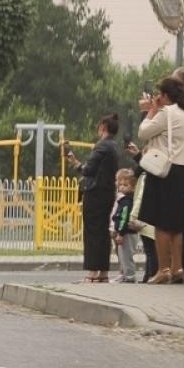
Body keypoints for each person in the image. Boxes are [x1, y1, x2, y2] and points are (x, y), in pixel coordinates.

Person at [130, 77, 184, 283]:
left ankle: (163, 269)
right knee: (177, 222)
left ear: (165, 95)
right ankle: (178, 268)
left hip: (165, 171)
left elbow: (143, 132)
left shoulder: (166, 113)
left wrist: (151, 111)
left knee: (161, 222)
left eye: (159, 94)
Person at [66, 113, 123, 283]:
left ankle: (91, 271)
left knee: (92, 232)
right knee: (103, 232)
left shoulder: (101, 146)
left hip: (95, 193)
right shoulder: (113, 146)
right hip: (107, 193)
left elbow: (88, 170)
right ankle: (103, 272)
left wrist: (75, 163)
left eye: (99, 127)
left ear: (103, 127)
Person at [111, 167, 141, 283]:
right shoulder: (123, 199)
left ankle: (129, 276)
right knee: (121, 254)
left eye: (125, 185)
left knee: (126, 254)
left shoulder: (127, 201)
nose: (122, 187)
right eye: (120, 184)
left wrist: (120, 233)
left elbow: (124, 218)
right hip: (123, 232)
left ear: (133, 187)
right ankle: (124, 274)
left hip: (127, 232)